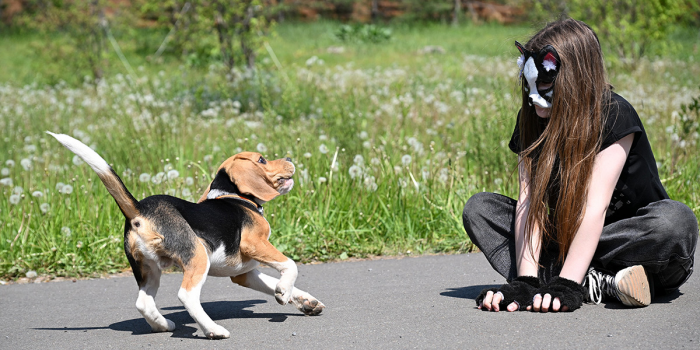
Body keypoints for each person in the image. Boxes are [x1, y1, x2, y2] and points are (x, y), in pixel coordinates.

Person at [462, 18, 698, 313]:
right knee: (480, 209)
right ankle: (600, 282)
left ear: (575, 79)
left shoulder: (613, 115)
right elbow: (529, 204)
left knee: (675, 221)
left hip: (636, 246)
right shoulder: (532, 120)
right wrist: (524, 282)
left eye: (545, 83)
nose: (533, 94)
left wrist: (566, 285)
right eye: (529, 82)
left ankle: (574, 279)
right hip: (567, 241)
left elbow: (593, 208)